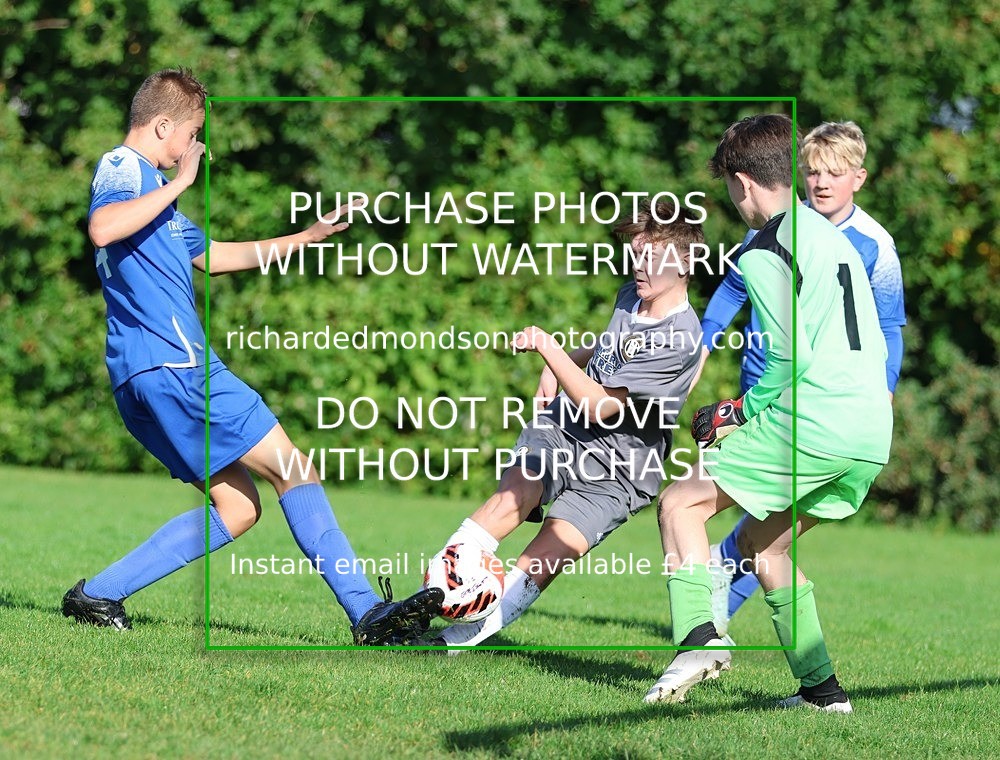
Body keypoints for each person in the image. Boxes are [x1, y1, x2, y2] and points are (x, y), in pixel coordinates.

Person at [62, 68, 441, 643]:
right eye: (192, 134)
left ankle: (97, 595)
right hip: (179, 365)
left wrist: (305, 238)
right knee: (294, 470)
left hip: (143, 375)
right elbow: (102, 227)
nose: (197, 147)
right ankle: (366, 612)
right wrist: (181, 182)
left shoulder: (155, 203)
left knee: (238, 508)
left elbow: (213, 256)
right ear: (163, 125)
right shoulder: (124, 168)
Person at [354, 199, 704, 648]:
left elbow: (600, 405)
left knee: (542, 561)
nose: (639, 266)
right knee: (516, 491)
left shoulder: (680, 338)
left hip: (621, 471)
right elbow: (608, 349)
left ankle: (449, 640)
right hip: (566, 428)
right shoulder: (633, 294)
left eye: (651, 258)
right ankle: (441, 586)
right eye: (635, 254)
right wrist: (564, 362)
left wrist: (547, 347)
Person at [644, 114, 893, 712]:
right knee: (766, 548)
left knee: (681, 503)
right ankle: (822, 693)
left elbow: (786, 356)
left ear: (741, 182)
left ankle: (699, 640)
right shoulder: (834, 236)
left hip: (817, 418)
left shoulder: (764, 249)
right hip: (869, 430)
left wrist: (737, 410)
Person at [699, 121, 905, 634]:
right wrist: (701, 346)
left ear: (858, 178)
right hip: (765, 384)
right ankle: (725, 613)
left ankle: (705, 620)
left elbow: (886, 327)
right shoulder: (774, 226)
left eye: (834, 172)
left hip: (816, 402)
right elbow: (730, 292)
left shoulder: (874, 244)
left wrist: (885, 389)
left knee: (693, 504)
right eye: (812, 171)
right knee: (761, 531)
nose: (821, 182)